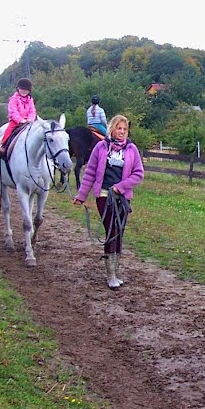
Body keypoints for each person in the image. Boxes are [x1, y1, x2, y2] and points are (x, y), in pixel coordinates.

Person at [73, 115, 144, 290]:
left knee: (119, 231)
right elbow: (90, 173)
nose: (121, 132)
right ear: (112, 129)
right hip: (104, 195)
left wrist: (121, 187)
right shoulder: (100, 148)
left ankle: (115, 270)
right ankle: (110, 275)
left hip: (122, 197)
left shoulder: (132, 150)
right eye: (118, 128)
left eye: (124, 129)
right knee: (111, 230)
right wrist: (81, 195)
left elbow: (138, 174)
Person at [0, 78, 37, 159]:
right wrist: (20, 120)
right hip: (16, 120)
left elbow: (32, 111)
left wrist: (30, 119)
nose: (24, 91)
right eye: (22, 89)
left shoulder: (30, 100)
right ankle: (3, 145)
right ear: (18, 89)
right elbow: (13, 112)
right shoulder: (13, 99)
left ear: (29, 91)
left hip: (28, 121)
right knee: (9, 129)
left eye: (26, 90)